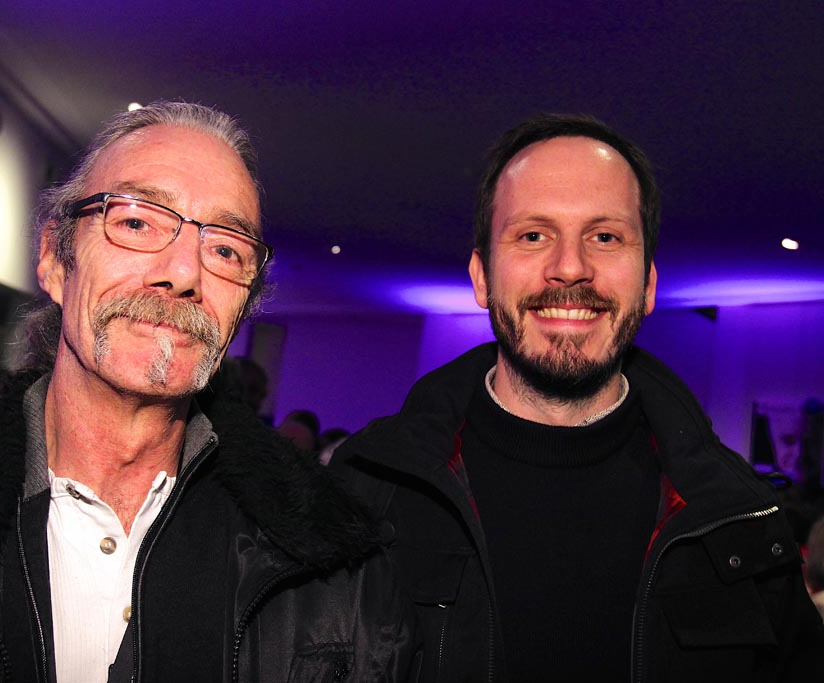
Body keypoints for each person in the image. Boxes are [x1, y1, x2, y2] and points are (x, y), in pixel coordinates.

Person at [0, 102, 418, 681]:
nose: (183, 273)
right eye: (137, 221)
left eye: (226, 249)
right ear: (55, 259)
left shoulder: (340, 574)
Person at [331, 113, 824, 681]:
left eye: (605, 237)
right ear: (482, 277)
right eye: (533, 235)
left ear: (648, 285)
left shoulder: (741, 516)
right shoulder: (366, 494)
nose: (570, 268)